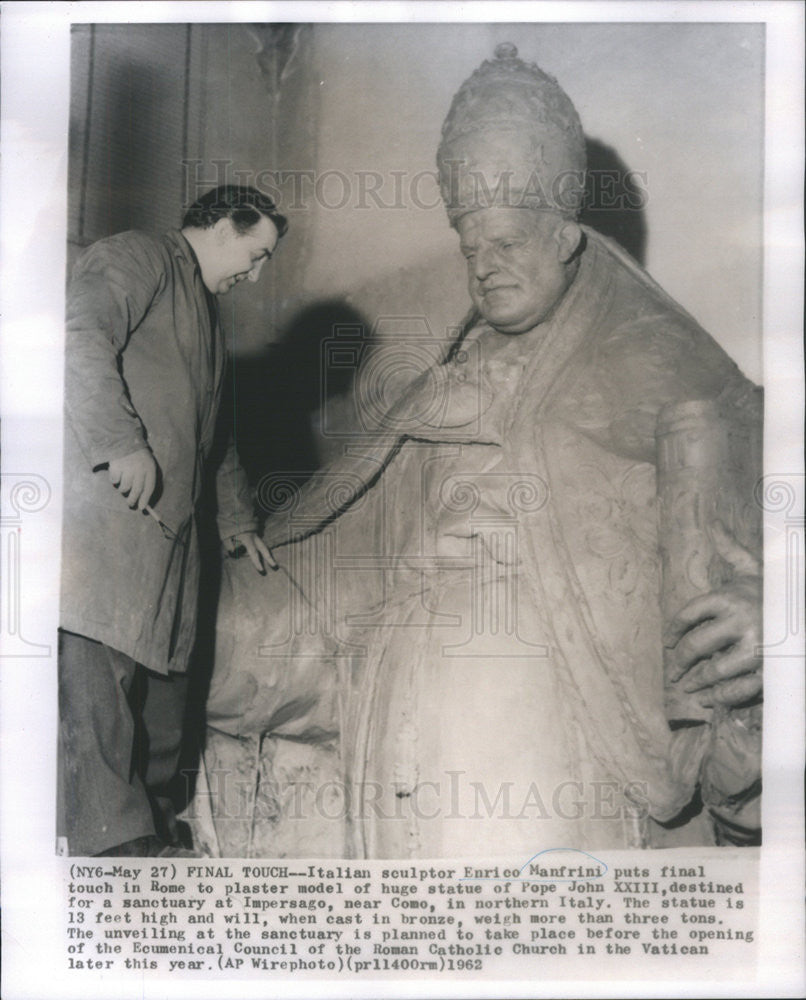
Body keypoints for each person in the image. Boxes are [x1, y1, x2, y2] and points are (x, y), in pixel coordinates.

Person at [196, 47, 762, 859]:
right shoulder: (437, 390)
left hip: (529, 733)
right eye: (469, 249)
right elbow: (333, 582)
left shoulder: (673, 371)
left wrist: (773, 613)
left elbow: (747, 549)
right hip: (393, 714)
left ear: (566, 235)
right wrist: (196, 611)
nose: (482, 266)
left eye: (503, 241)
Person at [59, 185, 284, 857]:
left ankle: (151, 830)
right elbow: (77, 336)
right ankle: (108, 842)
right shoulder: (137, 256)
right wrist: (119, 443)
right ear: (219, 227)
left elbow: (216, 440)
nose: (258, 272)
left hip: (171, 537)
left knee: (163, 685)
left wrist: (238, 520)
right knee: (99, 678)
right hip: (108, 518)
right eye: (256, 252)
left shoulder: (208, 319)